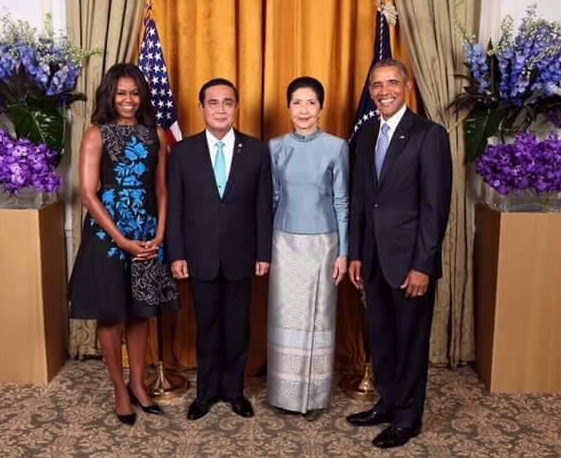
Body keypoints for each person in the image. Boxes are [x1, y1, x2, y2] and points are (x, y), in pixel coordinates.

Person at [346, 59, 452, 448]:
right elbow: (362, 199)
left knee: (410, 341)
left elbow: (435, 208)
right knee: (383, 337)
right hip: (374, 259)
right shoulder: (366, 132)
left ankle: (408, 418)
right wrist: (357, 253)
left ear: (406, 87)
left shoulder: (429, 135)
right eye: (376, 85)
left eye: (392, 83)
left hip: (410, 261)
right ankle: (387, 403)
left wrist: (423, 265)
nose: (384, 91)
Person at [68, 63, 179, 426]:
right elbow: (88, 194)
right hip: (108, 236)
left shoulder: (156, 134)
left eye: (134, 93)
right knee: (112, 313)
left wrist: (160, 233)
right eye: (121, 93)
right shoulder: (95, 135)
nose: (128, 99)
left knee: (141, 312)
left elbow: (162, 190)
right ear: (110, 96)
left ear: (142, 96)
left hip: (146, 232)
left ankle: (138, 383)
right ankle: (119, 387)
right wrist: (121, 240)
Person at [167, 78, 272, 421]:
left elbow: (262, 207)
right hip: (200, 257)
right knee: (207, 327)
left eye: (228, 102)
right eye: (213, 102)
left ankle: (234, 392)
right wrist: (177, 254)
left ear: (236, 107)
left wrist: (263, 253)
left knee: (238, 329)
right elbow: (176, 208)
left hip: (242, 256)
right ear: (201, 108)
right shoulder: (183, 152)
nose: (221, 109)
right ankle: (206, 393)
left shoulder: (256, 150)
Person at [265, 76, 348, 421]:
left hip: (324, 244)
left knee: (319, 318)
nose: (303, 110)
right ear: (288, 107)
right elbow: (272, 198)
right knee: (285, 317)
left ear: (321, 107)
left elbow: (342, 202)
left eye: (311, 102)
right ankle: (283, 395)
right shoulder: (275, 147)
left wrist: (344, 252)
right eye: (297, 102)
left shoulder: (337, 147)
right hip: (284, 243)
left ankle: (313, 397)